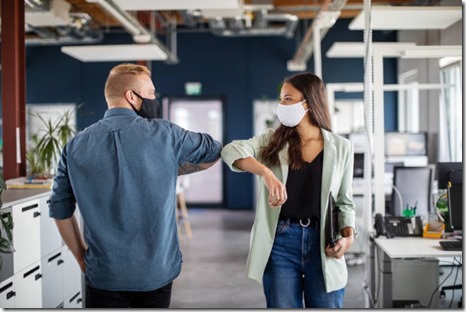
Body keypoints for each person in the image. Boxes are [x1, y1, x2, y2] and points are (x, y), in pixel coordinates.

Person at [48, 63, 222, 308]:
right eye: (151, 93)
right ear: (131, 96)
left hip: (102, 274)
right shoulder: (166, 134)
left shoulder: (75, 146)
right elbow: (213, 151)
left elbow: (59, 208)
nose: (154, 99)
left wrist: (80, 257)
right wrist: (174, 167)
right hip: (156, 272)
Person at [221, 72, 356, 308]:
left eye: (287, 99)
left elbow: (344, 201)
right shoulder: (273, 140)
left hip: (322, 241)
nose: (281, 105)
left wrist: (348, 236)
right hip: (281, 241)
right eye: (281, 99)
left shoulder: (341, 147)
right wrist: (266, 173)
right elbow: (230, 151)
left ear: (309, 102)